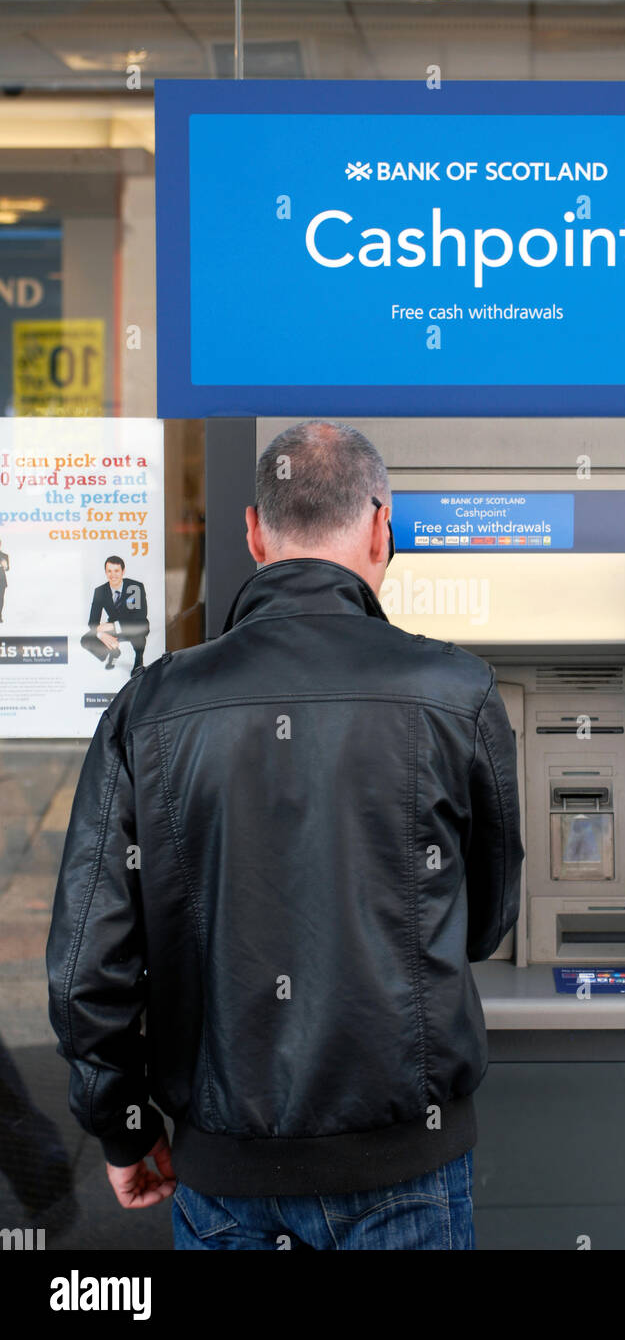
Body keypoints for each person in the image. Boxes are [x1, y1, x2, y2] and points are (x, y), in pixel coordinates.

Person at [46, 419, 524, 1251]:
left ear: (254, 534)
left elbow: (86, 969)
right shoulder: (458, 692)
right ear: (382, 527)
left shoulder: (151, 706)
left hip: (224, 1176)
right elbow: (483, 923)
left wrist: (122, 1125)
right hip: (406, 1169)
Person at [80, 555, 149, 671]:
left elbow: (139, 616)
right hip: (114, 628)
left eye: (116, 571)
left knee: (137, 629)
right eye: (109, 571)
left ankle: (139, 658)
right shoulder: (100, 591)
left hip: (134, 625)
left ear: (123, 571)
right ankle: (113, 651)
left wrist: (113, 626)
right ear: (105, 572)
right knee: (85, 640)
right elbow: (92, 622)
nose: (113, 575)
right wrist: (101, 635)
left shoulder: (135, 587)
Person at [0, 539, 8, 623]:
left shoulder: (4, 556)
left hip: (1, 581)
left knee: (0, 598)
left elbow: (7, 568)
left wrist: (5, 566)